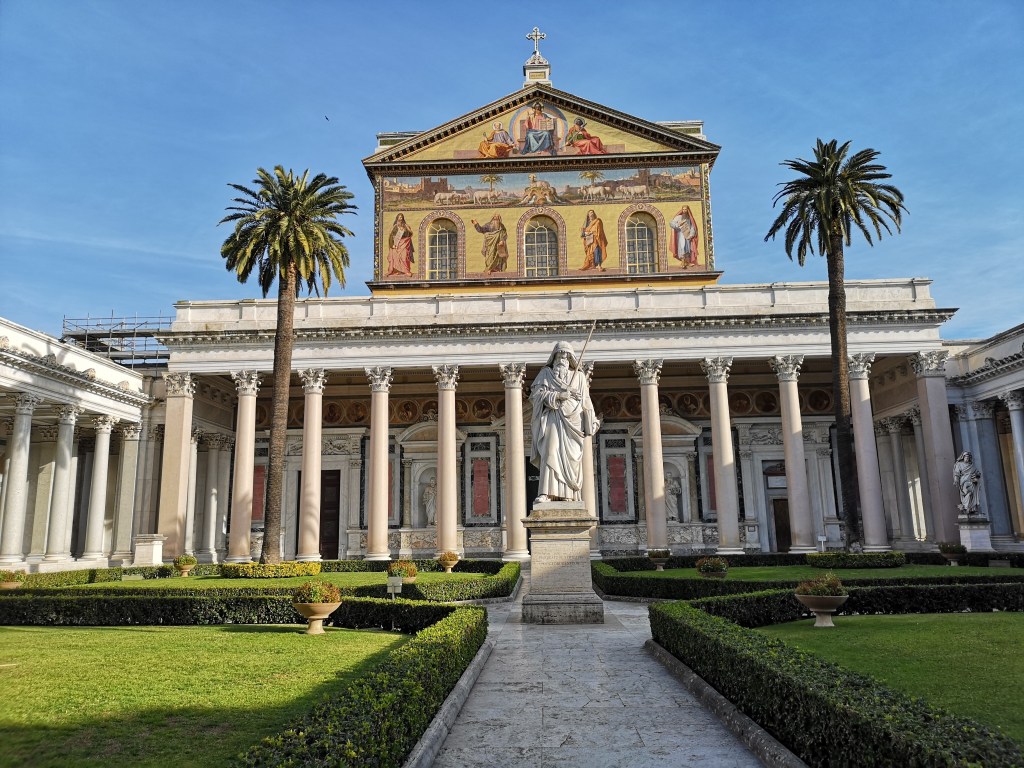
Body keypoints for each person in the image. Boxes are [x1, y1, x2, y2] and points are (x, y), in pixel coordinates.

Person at [530, 341, 599, 503]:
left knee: (571, 459)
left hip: (573, 421)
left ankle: (569, 495)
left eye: (565, 357)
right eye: (559, 356)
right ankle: (546, 493)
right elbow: (536, 396)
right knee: (550, 451)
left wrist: (592, 419)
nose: (562, 359)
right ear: (553, 358)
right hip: (553, 418)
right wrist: (558, 396)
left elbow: (586, 401)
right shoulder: (546, 374)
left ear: (570, 359)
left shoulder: (579, 377)